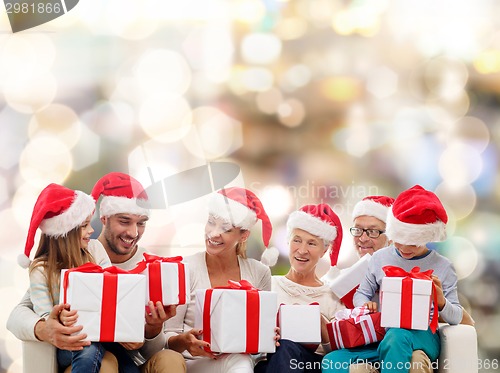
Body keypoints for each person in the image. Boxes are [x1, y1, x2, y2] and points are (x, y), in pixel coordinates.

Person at [7, 172, 186, 373]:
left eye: (141, 223)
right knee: (101, 359)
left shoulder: (150, 267)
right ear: (103, 218)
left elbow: (147, 349)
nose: (134, 233)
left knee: (156, 360)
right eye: (125, 221)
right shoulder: (53, 265)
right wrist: (47, 326)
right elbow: (17, 315)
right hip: (81, 349)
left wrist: (148, 331)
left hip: (119, 350)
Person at [322, 185, 463, 373]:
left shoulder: (443, 266)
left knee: (397, 336)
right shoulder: (380, 258)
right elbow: (360, 295)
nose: (404, 248)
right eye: (398, 239)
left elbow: (457, 317)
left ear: (427, 236)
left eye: (412, 242)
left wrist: (441, 302)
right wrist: (365, 305)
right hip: (381, 337)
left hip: (422, 337)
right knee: (332, 361)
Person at [17, 183, 138, 373]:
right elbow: (46, 317)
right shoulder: (40, 270)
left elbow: (112, 286)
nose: (91, 230)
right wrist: (60, 318)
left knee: (128, 366)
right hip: (71, 341)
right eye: (84, 226)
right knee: (87, 347)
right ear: (64, 234)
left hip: (102, 334)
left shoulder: (94, 249)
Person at [164, 187, 276, 373]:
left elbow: (260, 349)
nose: (214, 233)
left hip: (241, 362)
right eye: (211, 222)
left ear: (244, 235)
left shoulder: (259, 272)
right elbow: (168, 336)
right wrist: (185, 341)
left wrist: (268, 336)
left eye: (226, 228)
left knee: (239, 360)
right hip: (192, 363)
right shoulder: (185, 268)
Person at [254, 203, 346, 373]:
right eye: (297, 240)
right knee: (279, 351)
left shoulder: (333, 296)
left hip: (311, 366)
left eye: (312, 243)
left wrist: (320, 322)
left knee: (286, 347)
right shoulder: (268, 285)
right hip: (270, 363)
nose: (302, 250)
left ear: (324, 250)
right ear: (288, 242)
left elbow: (339, 357)